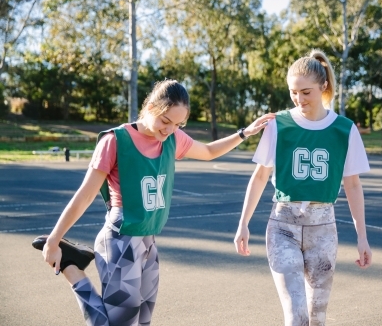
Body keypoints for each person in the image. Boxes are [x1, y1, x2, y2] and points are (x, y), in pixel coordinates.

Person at [33, 79, 275, 326]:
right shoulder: (116, 141)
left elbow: (209, 151)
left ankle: (74, 267)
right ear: (150, 107)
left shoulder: (172, 138)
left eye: (178, 124)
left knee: (142, 322)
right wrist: (54, 240)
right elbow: (85, 194)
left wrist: (245, 132)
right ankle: (72, 270)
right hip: (120, 239)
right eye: (165, 121)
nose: (170, 129)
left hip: (148, 242)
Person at [233, 49, 372, 326]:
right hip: (282, 226)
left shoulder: (344, 129)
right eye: (293, 92)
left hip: (324, 229)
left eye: (306, 92)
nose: (299, 99)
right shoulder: (278, 124)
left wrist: (362, 237)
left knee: (316, 318)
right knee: (297, 316)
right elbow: (260, 176)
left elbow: (353, 185)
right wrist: (243, 223)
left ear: (324, 86)